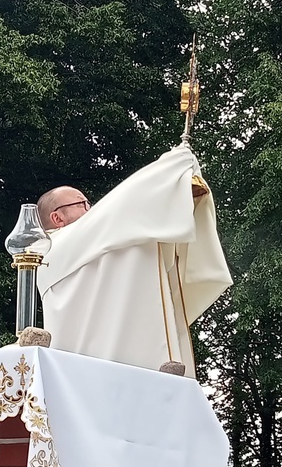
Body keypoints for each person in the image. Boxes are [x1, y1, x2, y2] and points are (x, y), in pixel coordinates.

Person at [37, 145, 232, 378]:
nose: (90, 209)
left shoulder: (91, 241)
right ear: (57, 217)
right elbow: (124, 208)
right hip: (82, 367)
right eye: (82, 204)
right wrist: (171, 167)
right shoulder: (50, 249)